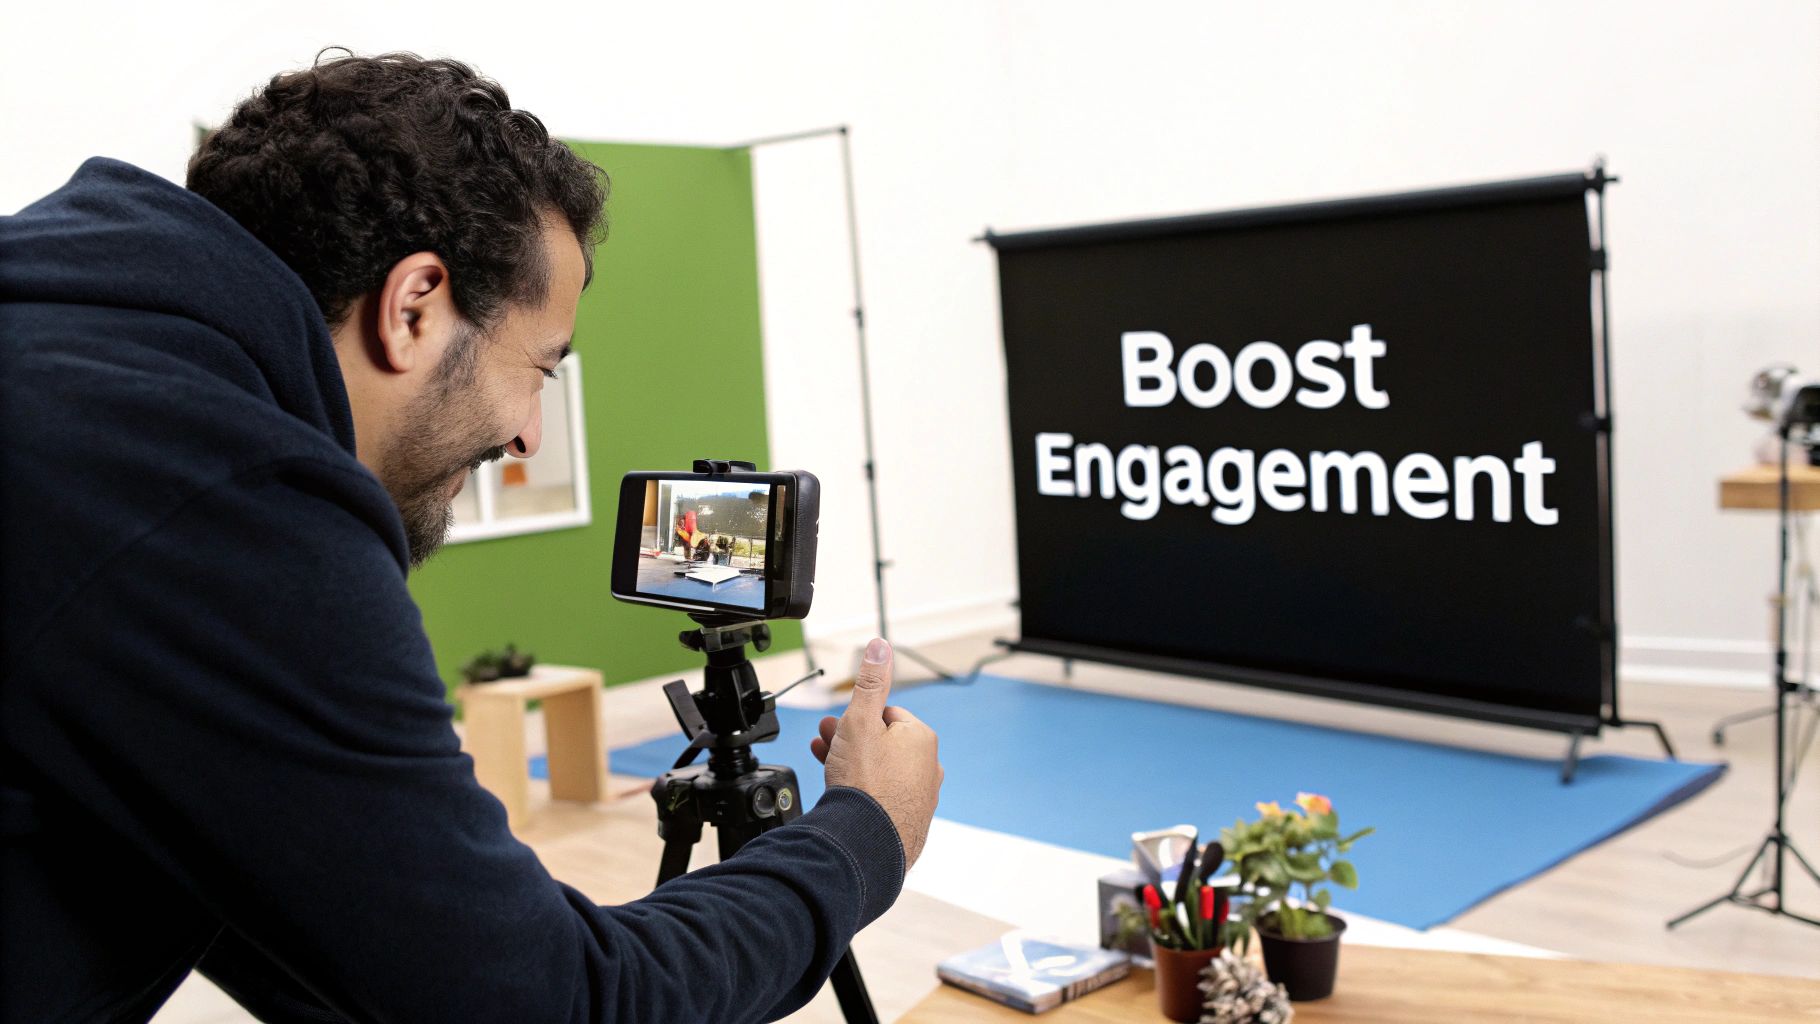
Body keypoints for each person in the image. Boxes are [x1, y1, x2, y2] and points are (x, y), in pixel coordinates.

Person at [0, 50, 943, 1023]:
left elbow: (320, 932)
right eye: (540, 367)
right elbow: (555, 1006)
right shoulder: (222, 494)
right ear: (413, 307)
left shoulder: (70, 332)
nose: (531, 432)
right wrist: (863, 831)